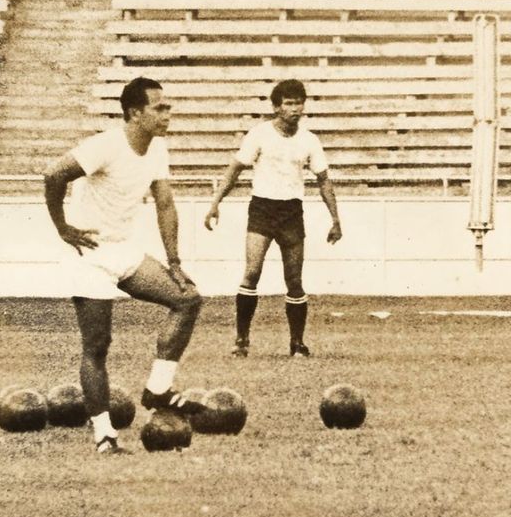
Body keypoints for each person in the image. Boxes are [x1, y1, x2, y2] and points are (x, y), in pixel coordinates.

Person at [44, 77, 206, 454]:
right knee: (98, 345)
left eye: (167, 107)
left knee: (188, 299)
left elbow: (165, 203)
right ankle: (104, 435)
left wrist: (175, 261)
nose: (168, 113)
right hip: (88, 254)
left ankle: (158, 390)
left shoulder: (157, 149)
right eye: (159, 107)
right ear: (135, 113)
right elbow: (54, 174)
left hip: (123, 250)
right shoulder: (106, 145)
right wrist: (63, 228)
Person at [204, 79, 342, 358]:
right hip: (262, 209)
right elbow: (235, 169)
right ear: (277, 107)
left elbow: (324, 180)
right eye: (289, 103)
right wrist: (215, 202)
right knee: (252, 273)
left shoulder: (309, 140)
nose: (295, 108)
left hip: (291, 211)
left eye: (298, 102)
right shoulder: (259, 134)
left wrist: (335, 219)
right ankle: (241, 340)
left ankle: (297, 343)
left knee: (294, 279)